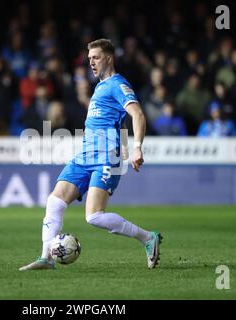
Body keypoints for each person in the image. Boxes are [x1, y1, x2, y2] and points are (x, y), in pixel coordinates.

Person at [20, 39, 162, 271]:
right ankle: (46, 257)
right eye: (89, 59)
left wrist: (136, 146)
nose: (91, 63)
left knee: (94, 216)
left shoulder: (118, 84)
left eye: (95, 58)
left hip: (107, 157)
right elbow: (112, 120)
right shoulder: (99, 87)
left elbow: (138, 115)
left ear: (109, 58)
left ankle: (148, 238)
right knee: (55, 201)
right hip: (85, 154)